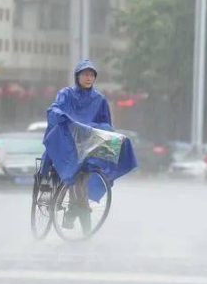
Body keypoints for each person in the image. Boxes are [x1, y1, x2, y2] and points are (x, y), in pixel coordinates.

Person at [41, 59, 137, 231]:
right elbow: (55, 109)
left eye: (92, 75)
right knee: (78, 184)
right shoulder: (66, 94)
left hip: (88, 144)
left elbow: (105, 124)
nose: (88, 78)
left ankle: (74, 216)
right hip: (68, 142)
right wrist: (62, 117)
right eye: (85, 74)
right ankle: (80, 223)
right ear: (77, 76)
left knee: (81, 181)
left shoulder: (99, 99)